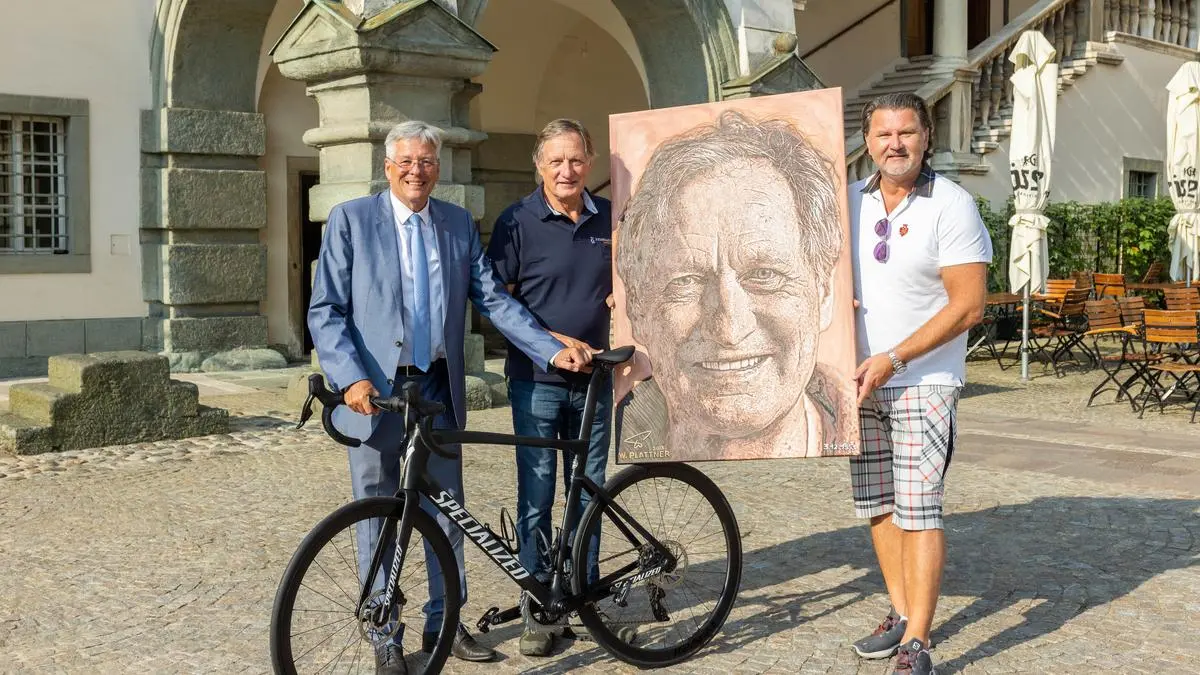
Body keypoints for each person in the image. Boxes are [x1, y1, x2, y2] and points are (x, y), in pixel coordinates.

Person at [308, 120, 593, 675]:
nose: (418, 171)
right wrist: (350, 379)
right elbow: (326, 310)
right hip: (377, 391)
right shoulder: (352, 221)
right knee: (379, 511)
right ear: (388, 167)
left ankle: (446, 619)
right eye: (407, 162)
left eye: (428, 162)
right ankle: (384, 630)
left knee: (447, 509)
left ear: (438, 169)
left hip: (435, 386)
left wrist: (547, 348)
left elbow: (493, 299)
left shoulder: (457, 223)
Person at [614, 109, 858, 463]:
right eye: (687, 281)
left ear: (824, 292)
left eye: (764, 275)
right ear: (636, 306)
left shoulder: (874, 428)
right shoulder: (621, 430)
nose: (729, 327)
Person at [846, 92, 991, 675]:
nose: (895, 144)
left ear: (927, 136)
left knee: (919, 509)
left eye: (906, 133)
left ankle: (919, 643)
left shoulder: (952, 205)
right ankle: (902, 613)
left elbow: (970, 307)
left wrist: (895, 358)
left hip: (923, 380)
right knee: (879, 505)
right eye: (883, 135)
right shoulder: (848, 202)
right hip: (857, 380)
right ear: (868, 141)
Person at [485, 118, 614, 657]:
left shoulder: (610, 216)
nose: (567, 170)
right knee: (536, 495)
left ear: (590, 163)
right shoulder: (516, 221)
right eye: (556, 161)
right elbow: (498, 299)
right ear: (538, 165)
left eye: (577, 160)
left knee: (587, 491)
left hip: (599, 380)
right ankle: (540, 604)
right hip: (536, 381)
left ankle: (585, 597)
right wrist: (551, 338)